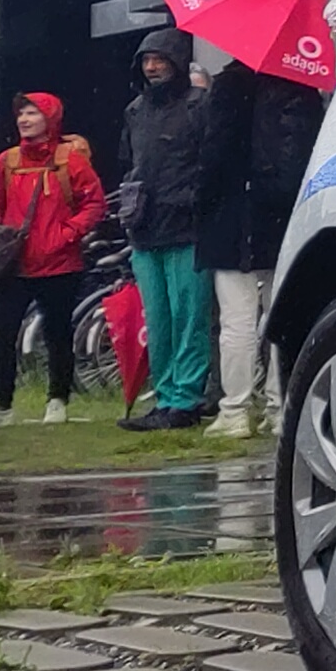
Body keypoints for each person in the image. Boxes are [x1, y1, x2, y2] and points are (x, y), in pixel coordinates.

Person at [199, 50, 325, 441]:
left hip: (234, 218)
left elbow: (213, 157)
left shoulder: (230, 85)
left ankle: (235, 409)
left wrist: (204, 203)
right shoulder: (301, 89)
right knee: (280, 319)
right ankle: (280, 407)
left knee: (236, 321)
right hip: (285, 216)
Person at [0, 91, 102, 427]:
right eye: (21, 114)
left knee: (57, 334)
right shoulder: (8, 160)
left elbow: (93, 203)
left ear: (51, 119)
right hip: (13, 263)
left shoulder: (70, 160)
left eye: (33, 113)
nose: (24, 120)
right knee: (0, 333)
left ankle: (57, 401)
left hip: (60, 264)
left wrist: (68, 234)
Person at [117, 29, 218, 433]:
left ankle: (186, 399)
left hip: (188, 229)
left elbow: (214, 165)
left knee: (189, 318)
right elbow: (128, 162)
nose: (152, 66)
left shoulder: (200, 106)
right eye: (146, 59)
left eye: (160, 58)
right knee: (158, 321)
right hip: (144, 230)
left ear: (177, 61)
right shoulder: (134, 111)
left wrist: (193, 198)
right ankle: (165, 397)